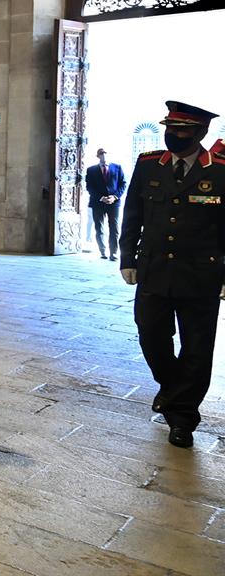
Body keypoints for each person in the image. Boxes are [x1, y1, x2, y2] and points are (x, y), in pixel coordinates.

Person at [120, 100, 225, 449]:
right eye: (170, 129)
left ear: (201, 132)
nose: (173, 136)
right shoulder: (149, 164)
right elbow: (132, 211)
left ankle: (182, 418)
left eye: (182, 131)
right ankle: (172, 391)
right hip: (154, 269)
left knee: (197, 348)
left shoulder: (220, 169)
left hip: (201, 275)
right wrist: (127, 258)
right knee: (150, 335)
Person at [84, 147, 126, 260]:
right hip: (98, 202)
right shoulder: (91, 170)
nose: (104, 155)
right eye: (101, 153)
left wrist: (115, 196)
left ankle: (113, 253)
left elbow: (123, 184)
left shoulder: (117, 167)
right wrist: (101, 197)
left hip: (114, 203)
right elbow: (89, 187)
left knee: (114, 228)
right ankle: (102, 251)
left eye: (106, 153)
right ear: (98, 156)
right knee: (99, 228)